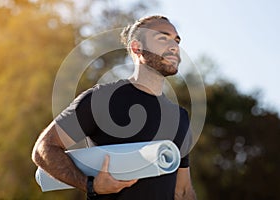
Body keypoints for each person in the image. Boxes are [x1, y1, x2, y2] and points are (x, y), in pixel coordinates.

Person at [32, 15, 197, 200]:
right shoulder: (102, 99)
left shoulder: (179, 116)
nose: (174, 46)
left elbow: (182, 191)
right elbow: (44, 149)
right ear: (137, 47)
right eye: (162, 38)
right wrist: (90, 185)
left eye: (176, 40)